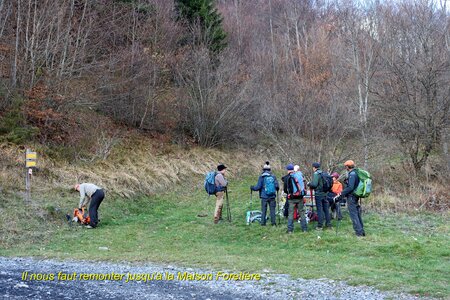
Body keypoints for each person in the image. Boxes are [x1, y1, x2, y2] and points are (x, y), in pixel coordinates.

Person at [338, 160, 365, 237]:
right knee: (357, 214)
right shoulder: (356, 173)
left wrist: (341, 194)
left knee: (354, 215)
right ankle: (361, 231)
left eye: (345, 166)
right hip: (356, 196)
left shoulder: (352, 174)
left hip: (352, 197)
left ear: (347, 166)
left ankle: (359, 233)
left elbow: (350, 187)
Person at [250, 161, 279, 226]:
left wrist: (252, 188)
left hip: (264, 196)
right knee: (272, 210)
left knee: (263, 210)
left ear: (263, 170)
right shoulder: (273, 176)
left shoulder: (261, 177)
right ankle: (273, 223)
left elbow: (258, 187)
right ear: (270, 169)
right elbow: (277, 186)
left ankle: (263, 223)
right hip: (272, 196)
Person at [282, 164, 307, 233]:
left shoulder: (287, 177)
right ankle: (304, 229)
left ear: (287, 170)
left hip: (292, 199)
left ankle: (290, 230)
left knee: (291, 213)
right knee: (301, 212)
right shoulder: (299, 175)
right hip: (300, 197)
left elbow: (285, 190)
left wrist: (289, 193)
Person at [307, 162, 331, 230]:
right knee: (326, 209)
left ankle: (320, 226)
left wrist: (309, 184)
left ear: (314, 167)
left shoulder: (316, 174)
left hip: (319, 194)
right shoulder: (324, 173)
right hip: (325, 194)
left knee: (319, 210)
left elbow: (314, 185)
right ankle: (328, 224)